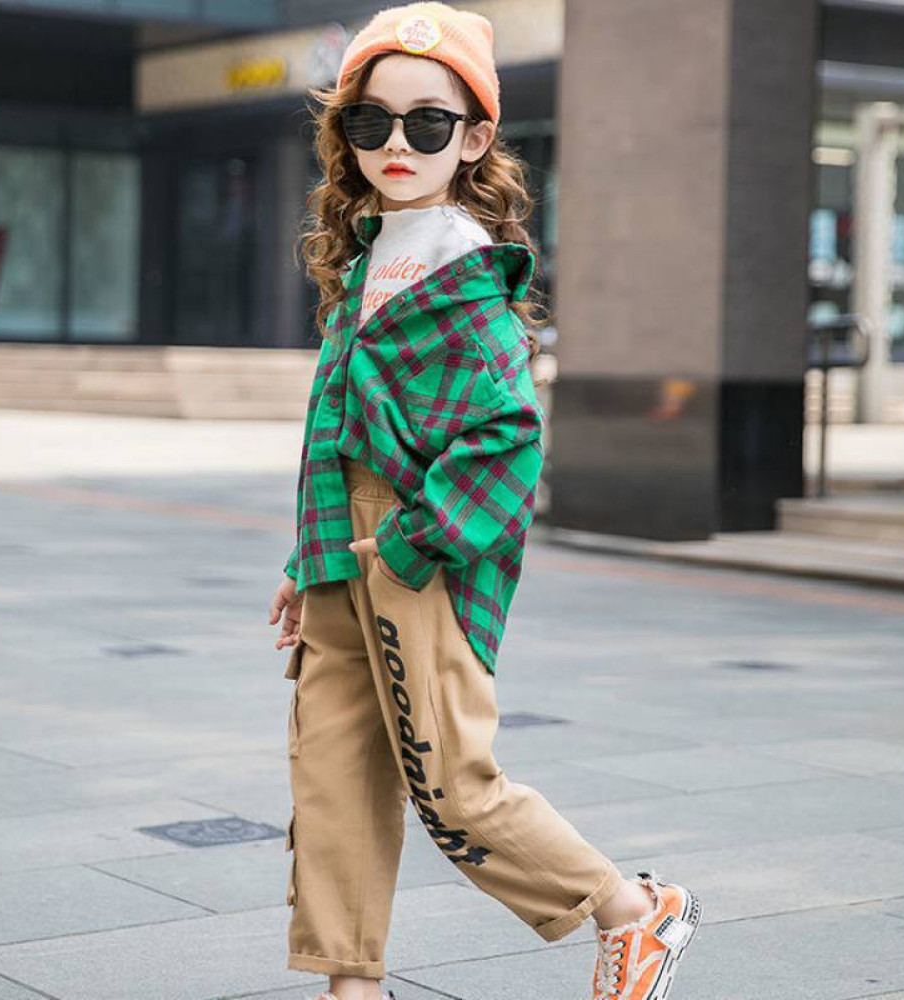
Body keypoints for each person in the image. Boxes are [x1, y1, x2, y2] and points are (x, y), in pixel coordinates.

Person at [267, 4, 702, 999]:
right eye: (371, 121)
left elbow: (508, 436)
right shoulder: (368, 253)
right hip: (342, 542)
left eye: (428, 122)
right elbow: (336, 424)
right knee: (332, 773)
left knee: (451, 783)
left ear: (473, 139)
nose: (397, 144)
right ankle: (351, 985)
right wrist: (305, 560)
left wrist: (410, 547)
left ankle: (631, 911)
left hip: (416, 543)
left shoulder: (463, 268)